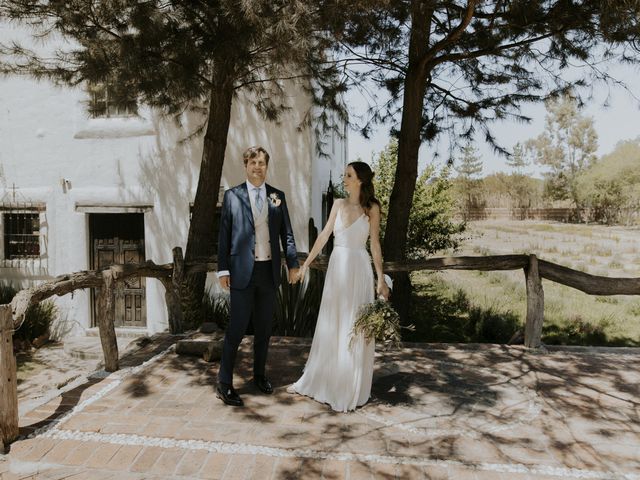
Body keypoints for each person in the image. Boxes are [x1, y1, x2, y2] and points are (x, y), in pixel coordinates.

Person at [290, 161, 390, 412]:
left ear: (360, 180)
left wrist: (380, 278)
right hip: (337, 269)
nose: (344, 178)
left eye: (348, 175)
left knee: (354, 326)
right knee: (332, 322)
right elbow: (324, 236)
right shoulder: (337, 204)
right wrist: (305, 266)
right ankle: (326, 380)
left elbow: (375, 245)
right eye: (345, 174)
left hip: (359, 269)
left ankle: (349, 385)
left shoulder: (372, 208)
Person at [216, 146, 300, 407]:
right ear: (245, 165)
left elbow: (286, 233)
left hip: (268, 271)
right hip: (241, 273)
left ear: (267, 166)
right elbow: (224, 236)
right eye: (253, 162)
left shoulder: (277, 196)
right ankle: (224, 383)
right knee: (236, 330)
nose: (257, 167)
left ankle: (259, 375)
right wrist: (222, 269)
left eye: (262, 163)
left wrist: (293, 264)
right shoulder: (232, 196)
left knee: (264, 329)